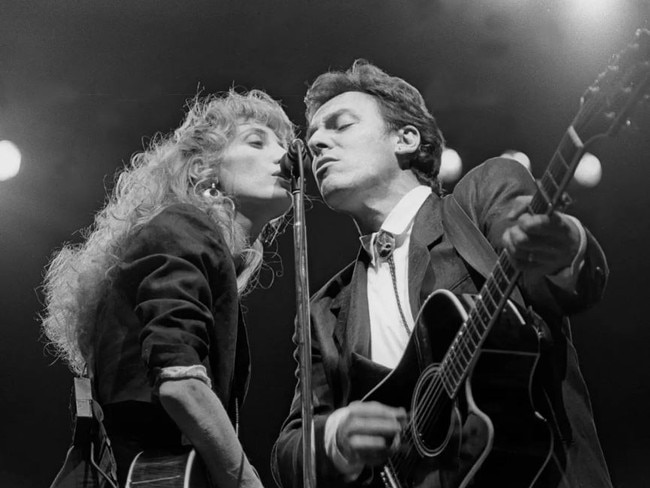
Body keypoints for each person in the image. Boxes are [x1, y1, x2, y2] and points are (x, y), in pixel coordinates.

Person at [272, 60, 613, 488]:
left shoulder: (481, 197)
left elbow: (553, 283)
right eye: (313, 136)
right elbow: (289, 449)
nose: (317, 142)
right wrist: (335, 435)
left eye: (339, 125)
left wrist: (564, 246)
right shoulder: (322, 310)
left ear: (406, 138)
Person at [41, 89, 295, 488]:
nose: (284, 155)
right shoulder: (185, 226)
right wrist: (244, 478)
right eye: (257, 141)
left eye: (284, 143)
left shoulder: (191, 242)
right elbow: (179, 379)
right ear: (203, 172)